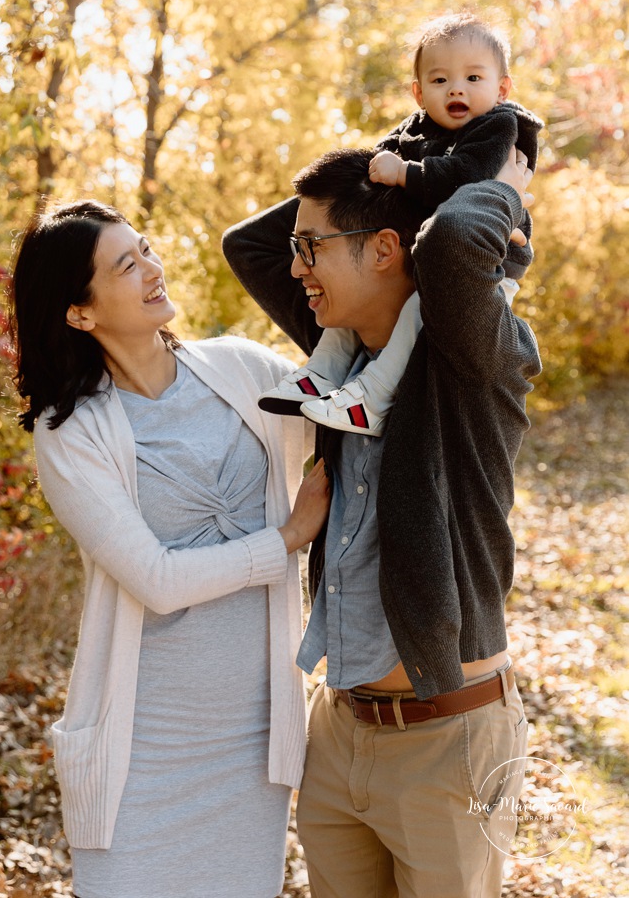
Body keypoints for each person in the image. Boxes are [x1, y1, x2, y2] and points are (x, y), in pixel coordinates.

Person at [222, 146, 542, 898]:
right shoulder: (338, 362)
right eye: (300, 249)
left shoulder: (474, 360)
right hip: (337, 735)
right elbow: (248, 244)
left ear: (388, 250)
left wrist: (484, 177)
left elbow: (461, 241)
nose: (296, 267)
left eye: (313, 249)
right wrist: (396, 159)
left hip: (447, 742)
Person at [8, 199, 331, 898]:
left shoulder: (242, 370)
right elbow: (155, 579)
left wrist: (423, 163)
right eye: (125, 265)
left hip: (251, 738)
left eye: (146, 249)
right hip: (141, 750)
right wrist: (285, 539)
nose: (151, 268)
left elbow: (353, 410)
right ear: (79, 312)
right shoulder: (72, 433)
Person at [258, 10, 543, 437]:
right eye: (440, 80)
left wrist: (404, 173)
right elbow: (367, 177)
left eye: (473, 78)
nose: (456, 89)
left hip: (487, 264)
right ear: (418, 92)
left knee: (417, 310)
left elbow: (467, 178)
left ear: (502, 89)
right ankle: (322, 373)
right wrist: (339, 194)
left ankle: (373, 398)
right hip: (424, 253)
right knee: (350, 306)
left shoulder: (498, 127)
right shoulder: (415, 129)